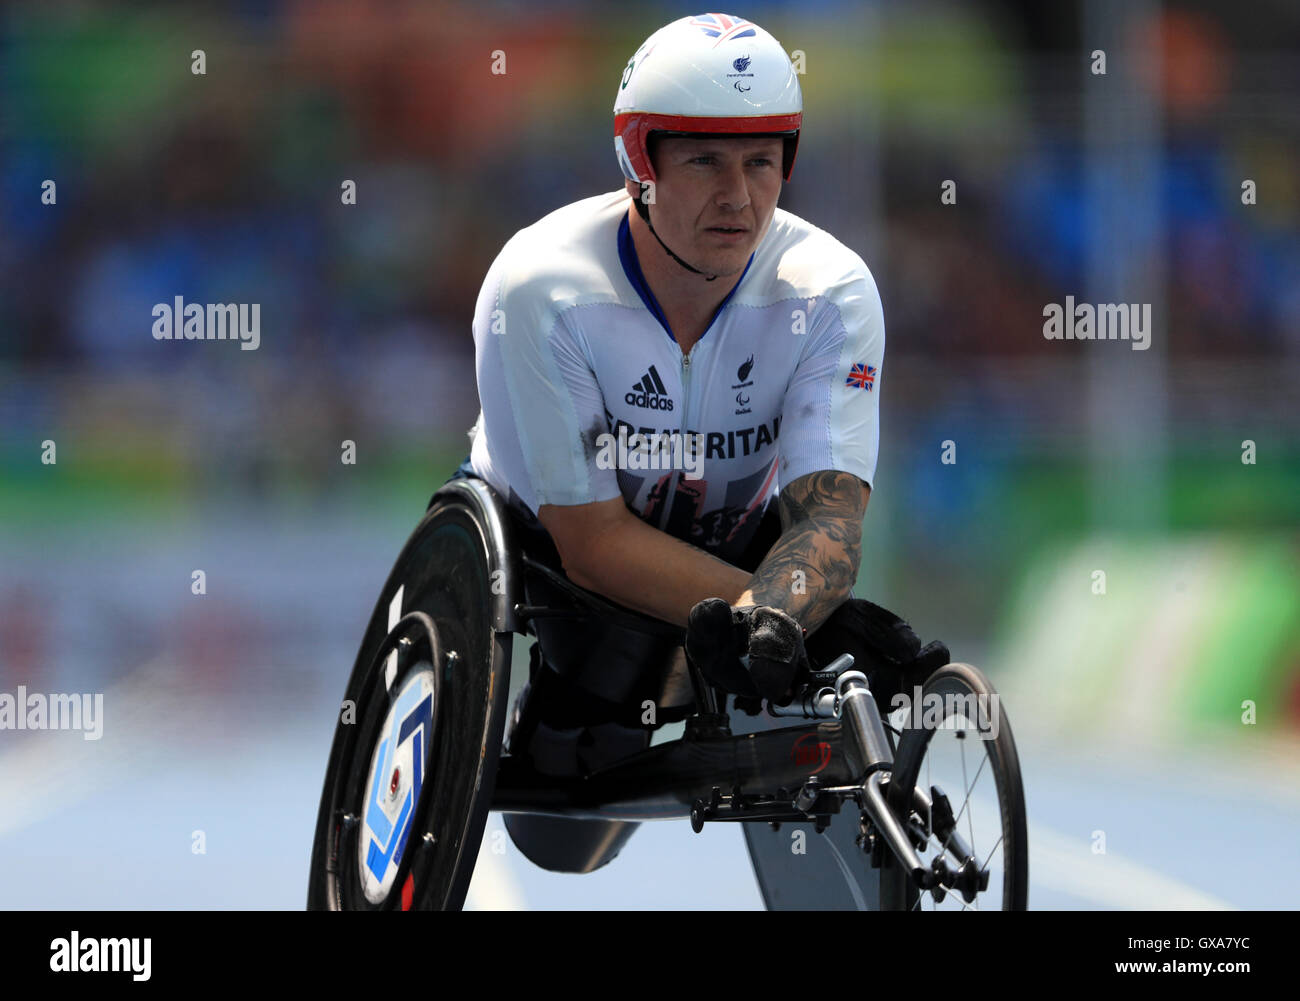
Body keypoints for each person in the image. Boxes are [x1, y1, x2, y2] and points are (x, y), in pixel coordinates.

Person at [444, 14, 943, 789]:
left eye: (761, 162)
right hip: (563, 573)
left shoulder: (831, 293)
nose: (738, 197)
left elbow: (828, 521)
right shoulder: (540, 288)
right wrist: (765, 618)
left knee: (839, 657)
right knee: (573, 788)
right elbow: (594, 543)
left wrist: (780, 621)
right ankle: (567, 723)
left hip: (728, 551)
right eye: (705, 160)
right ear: (640, 160)